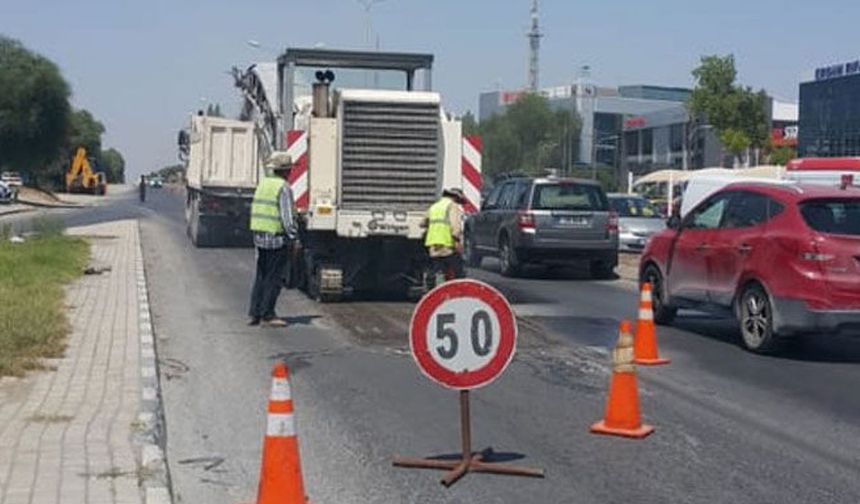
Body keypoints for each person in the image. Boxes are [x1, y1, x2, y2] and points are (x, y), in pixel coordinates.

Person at [248, 154, 298, 327]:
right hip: (276, 239)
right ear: (286, 170)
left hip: (260, 236)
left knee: (261, 275)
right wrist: (293, 237)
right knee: (273, 277)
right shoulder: (283, 187)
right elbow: (287, 217)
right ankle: (268, 314)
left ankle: (255, 312)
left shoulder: (264, 184)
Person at [424, 187, 467, 288]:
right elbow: (455, 227)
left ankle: (432, 290)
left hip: (433, 245)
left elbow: (423, 222)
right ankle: (459, 291)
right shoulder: (452, 206)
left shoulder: (434, 206)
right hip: (447, 245)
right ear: (455, 198)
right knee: (458, 271)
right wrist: (457, 242)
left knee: (437, 269)